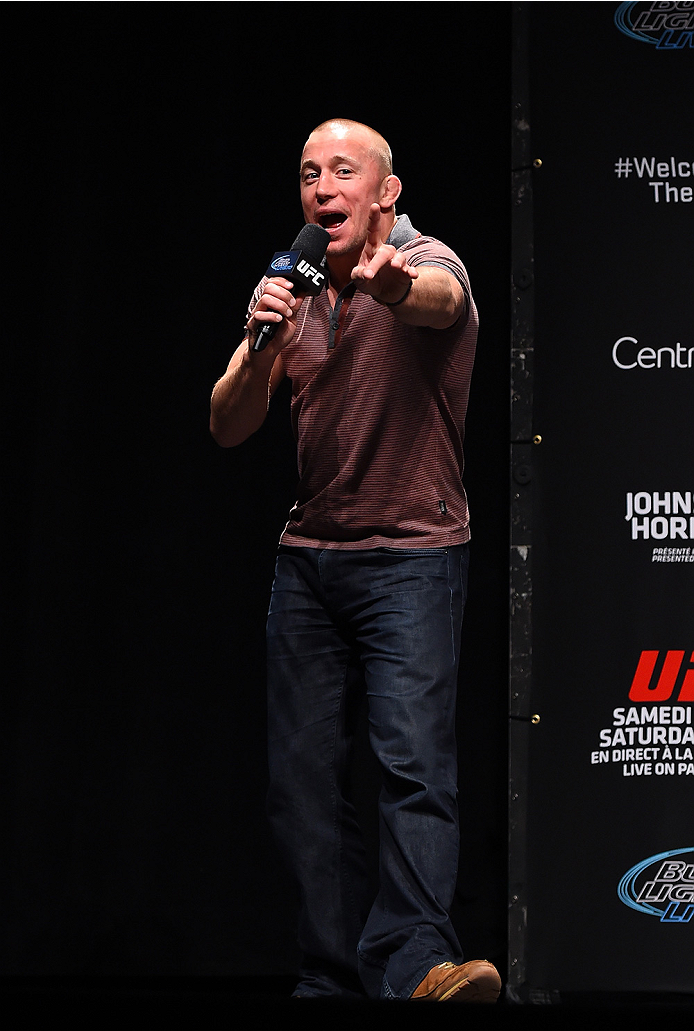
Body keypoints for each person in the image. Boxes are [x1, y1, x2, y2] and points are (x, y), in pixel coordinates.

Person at [210, 118, 500, 1003]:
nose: (322, 187)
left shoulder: (428, 260)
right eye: (308, 173)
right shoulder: (290, 286)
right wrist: (263, 341)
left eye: (344, 170)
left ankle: (416, 965)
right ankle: (333, 976)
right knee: (301, 786)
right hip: (309, 561)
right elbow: (227, 424)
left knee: (412, 767)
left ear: (387, 191)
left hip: (413, 554)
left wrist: (394, 286)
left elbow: (441, 304)